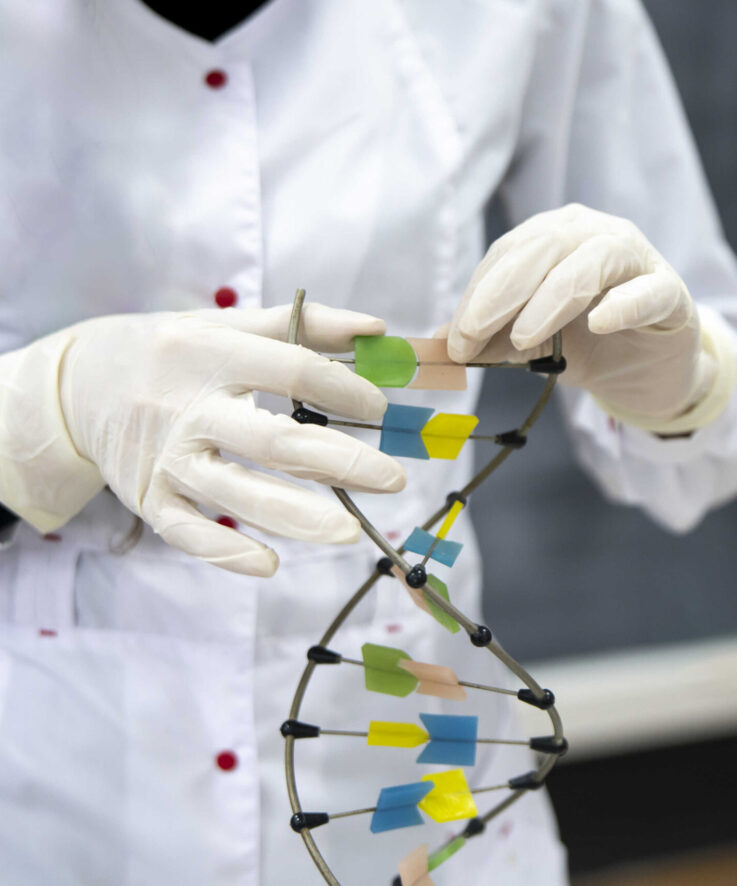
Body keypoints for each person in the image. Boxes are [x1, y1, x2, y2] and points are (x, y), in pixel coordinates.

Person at [1, 1, 736, 884]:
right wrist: (33, 417)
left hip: (431, 809)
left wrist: (688, 377)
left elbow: (696, 459)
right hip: (47, 804)